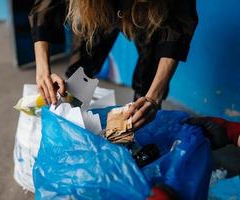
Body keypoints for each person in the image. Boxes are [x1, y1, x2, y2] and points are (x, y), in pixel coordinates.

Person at [29, 0, 198, 129]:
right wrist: (43, 71)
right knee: (81, 68)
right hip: (96, 5)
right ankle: (69, 122)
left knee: (149, 78)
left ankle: (139, 130)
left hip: (148, 8)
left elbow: (179, 25)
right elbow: (44, 8)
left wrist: (154, 97)